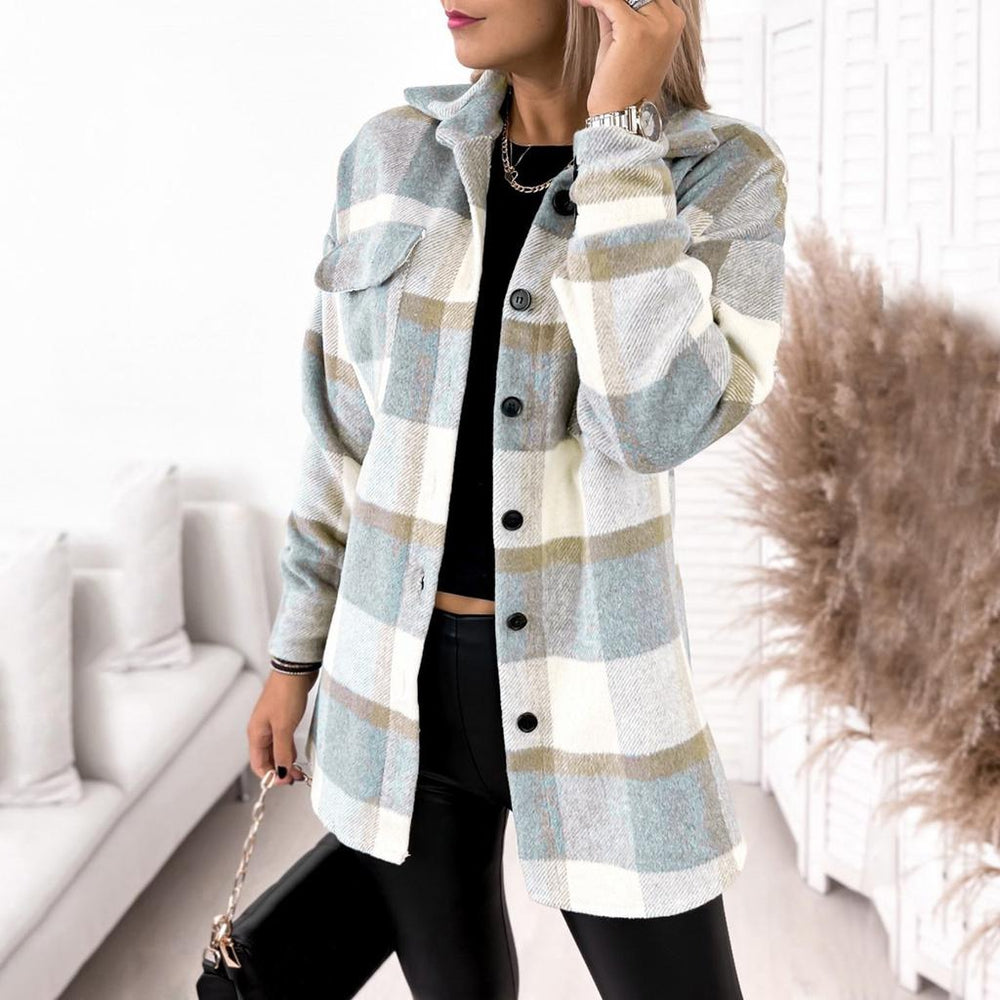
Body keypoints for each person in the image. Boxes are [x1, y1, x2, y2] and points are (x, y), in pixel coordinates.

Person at [247, 0, 787, 996]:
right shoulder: (387, 158)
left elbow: (653, 426)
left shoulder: (720, 174)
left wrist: (617, 146)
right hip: (393, 680)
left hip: (598, 689)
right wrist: (293, 656)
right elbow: (342, 439)